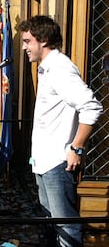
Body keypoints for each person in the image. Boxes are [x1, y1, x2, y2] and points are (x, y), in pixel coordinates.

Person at [19, 15, 103, 247]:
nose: (24, 47)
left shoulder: (60, 68)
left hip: (57, 162)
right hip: (44, 160)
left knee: (66, 224)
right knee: (50, 220)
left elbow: (92, 107)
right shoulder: (46, 68)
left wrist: (76, 148)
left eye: (28, 41)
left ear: (43, 40)